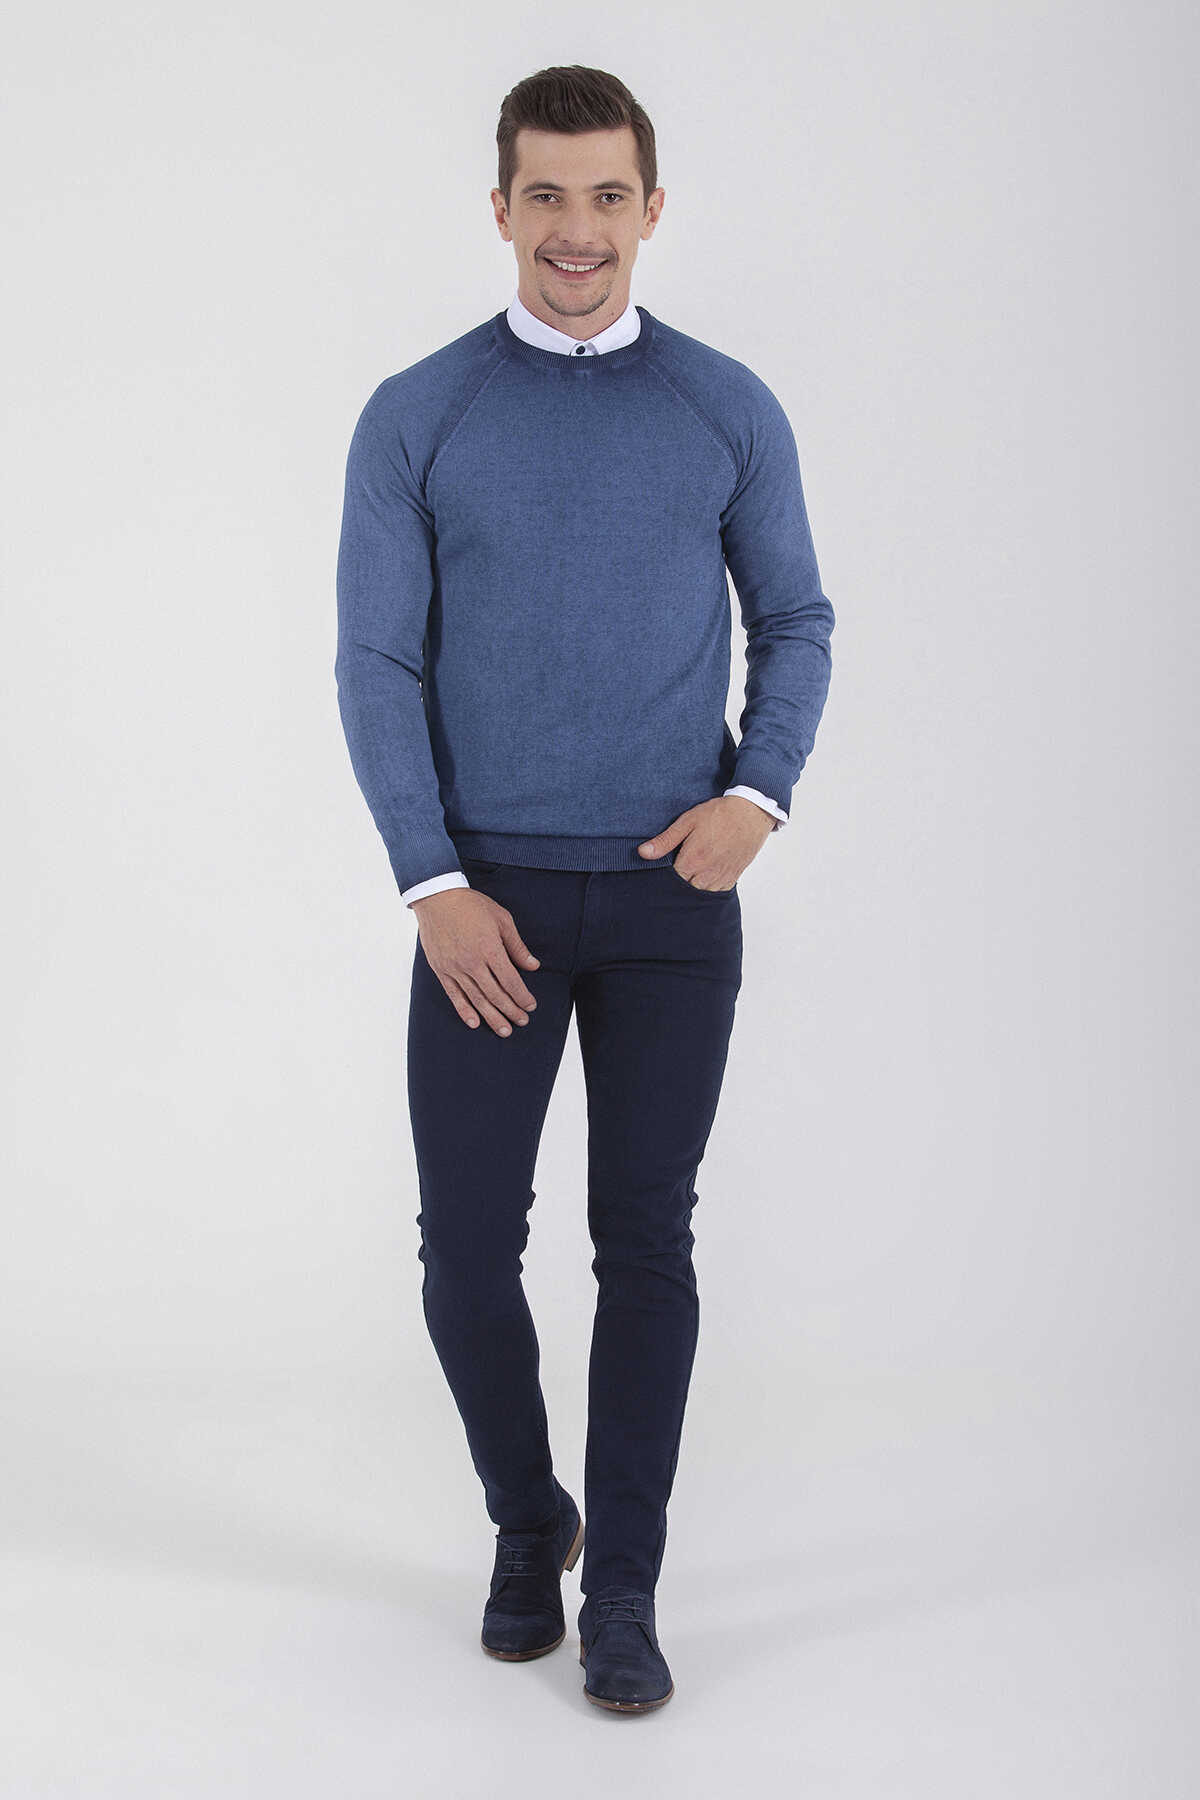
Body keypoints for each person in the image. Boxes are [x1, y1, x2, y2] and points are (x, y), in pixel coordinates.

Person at [334, 62, 835, 1714]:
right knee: (466, 1255)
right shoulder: (421, 412)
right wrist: (430, 879)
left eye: (606, 195)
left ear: (651, 209)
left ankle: (620, 1580)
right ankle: (524, 1516)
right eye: (544, 194)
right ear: (501, 209)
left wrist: (757, 795)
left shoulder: (723, 406)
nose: (576, 228)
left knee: (646, 1243)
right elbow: (376, 658)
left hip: (673, 909)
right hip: (486, 909)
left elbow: (797, 619)